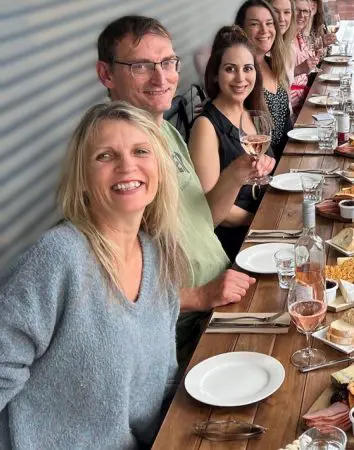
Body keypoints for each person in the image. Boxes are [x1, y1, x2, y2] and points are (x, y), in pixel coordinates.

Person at [0, 102, 186, 448]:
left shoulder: (158, 254)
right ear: (83, 179)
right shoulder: (60, 256)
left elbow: (161, 383)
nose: (126, 165)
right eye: (105, 156)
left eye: (140, 151)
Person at [95, 16, 266, 368]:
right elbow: (106, 289)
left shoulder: (168, 133)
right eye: (141, 66)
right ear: (106, 74)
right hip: (183, 335)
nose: (161, 78)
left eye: (168, 62)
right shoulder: (113, 160)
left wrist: (235, 175)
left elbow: (205, 219)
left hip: (225, 291)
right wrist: (200, 296)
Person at [189, 26, 274, 261]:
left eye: (247, 69)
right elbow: (210, 207)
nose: (240, 78)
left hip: (262, 220)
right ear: (215, 74)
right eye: (230, 69)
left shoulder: (250, 111)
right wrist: (257, 219)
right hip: (235, 243)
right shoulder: (206, 126)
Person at [235, 0, 292, 160]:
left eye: (269, 23)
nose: (264, 30)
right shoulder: (242, 76)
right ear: (241, 30)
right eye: (255, 24)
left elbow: (286, 122)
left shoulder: (273, 64)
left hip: (288, 157)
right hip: (263, 165)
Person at [283, 0, 319, 112]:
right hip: (291, 106)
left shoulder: (299, 36)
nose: (302, 15)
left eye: (305, 11)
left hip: (305, 100)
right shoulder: (282, 40)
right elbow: (275, 79)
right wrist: (299, 69)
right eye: (297, 10)